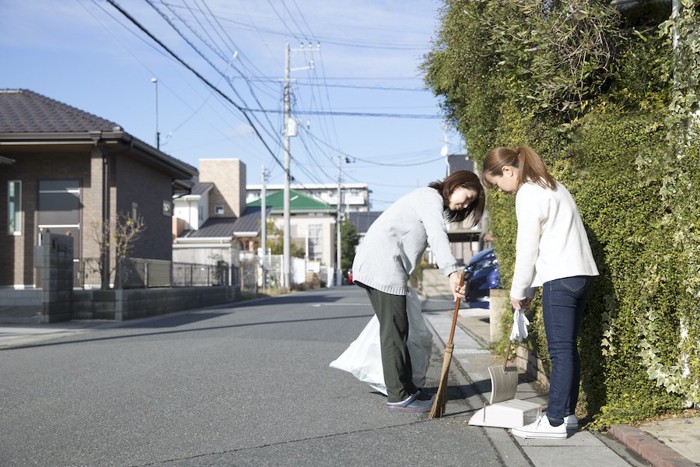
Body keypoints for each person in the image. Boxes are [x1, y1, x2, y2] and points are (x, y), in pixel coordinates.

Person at [482, 146, 599, 439]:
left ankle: (555, 421)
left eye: (497, 184)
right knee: (569, 349)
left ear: (507, 171)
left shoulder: (528, 192)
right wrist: (532, 288)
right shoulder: (553, 185)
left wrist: (519, 289)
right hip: (581, 275)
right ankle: (568, 415)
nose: (502, 191)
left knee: (560, 352)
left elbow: (527, 247)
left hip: (560, 278)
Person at [352, 170, 485, 412]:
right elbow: (437, 235)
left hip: (385, 266)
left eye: (469, 203)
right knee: (395, 331)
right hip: (381, 266)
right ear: (456, 184)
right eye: (466, 197)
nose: (463, 204)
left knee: (401, 328)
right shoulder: (429, 197)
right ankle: (399, 395)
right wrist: (452, 272)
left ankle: (407, 388)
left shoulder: (428, 200)